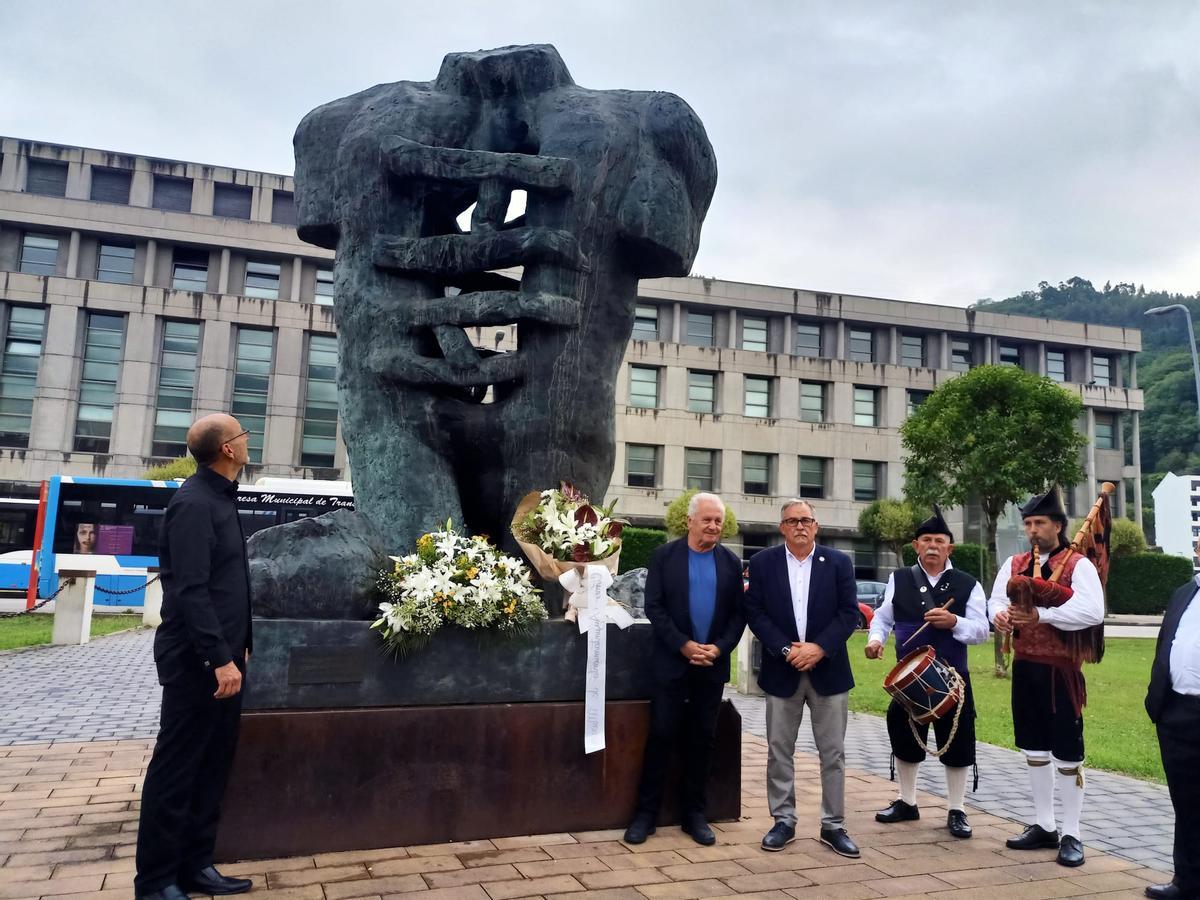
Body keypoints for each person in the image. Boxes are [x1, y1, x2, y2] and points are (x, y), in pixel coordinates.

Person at [134, 414, 255, 900]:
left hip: (226, 657)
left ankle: (195, 866)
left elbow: (228, 583)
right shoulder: (193, 504)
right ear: (227, 448)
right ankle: (157, 881)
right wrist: (217, 658)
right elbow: (190, 590)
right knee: (178, 768)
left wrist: (239, 645)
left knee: (212, 765)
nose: (248, 441)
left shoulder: (221, 499)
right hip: (197, 663)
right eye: (243, 435)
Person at [989, 486, 1104, 868]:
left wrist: (1044, 615)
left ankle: (1072, 832)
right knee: (1034, 750)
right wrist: (1000, 617)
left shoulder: (1078, 565)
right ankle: (1044, 824)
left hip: (1061, 671)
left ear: (1057, 525)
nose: (1033, 530)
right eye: (1028, 523)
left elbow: (1093, 612)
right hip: (1025, 666)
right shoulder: (1016, 562)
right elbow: (995, 601)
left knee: (1067, 754)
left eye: (1040, 522)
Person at [624, 492, 746, 847]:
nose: (713, 526)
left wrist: (719, 648)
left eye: (718, 521)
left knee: (702, 741)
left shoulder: (730, 562)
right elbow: (655, 607)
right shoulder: (664, 556)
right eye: (706, 519)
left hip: (711, 665)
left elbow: (739, 614)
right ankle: (645, 816)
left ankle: (695, 815)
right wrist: (684, 645)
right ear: (690, 521)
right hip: (671, 665)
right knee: (661, 736)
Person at [743, 499, 861, 857]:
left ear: (816, 525)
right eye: (792, 521)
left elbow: (849, 613)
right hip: (782, 670)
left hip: (829, 670)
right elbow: (756, 613)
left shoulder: (839, 562)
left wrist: (819, 648)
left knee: (833, 753)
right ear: (782, 528)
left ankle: (833, 825)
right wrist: (785, 650)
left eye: (805, 520)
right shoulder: (763, 563)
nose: (799, 526)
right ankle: (783, 820)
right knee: (779, 751)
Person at [865, 507, 989, 839]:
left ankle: (957, 809)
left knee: (958, 741)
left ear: (950, 548)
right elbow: (883, 617)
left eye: (939, 541)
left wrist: (955, 622)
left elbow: (982, 631)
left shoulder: (967, 584)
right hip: (909, 677)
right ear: (916, 546)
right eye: (926, 540)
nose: (932, 546)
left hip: (953, 678)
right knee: (903, 736)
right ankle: (907, 801)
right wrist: (876, 639)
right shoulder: (900, 579)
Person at [1143, 538, 1200, 899]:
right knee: (1187, 802)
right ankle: (1188, 881)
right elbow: (1167, 643)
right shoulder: (1184, 592)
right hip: (1178, 713)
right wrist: (1158, 703)